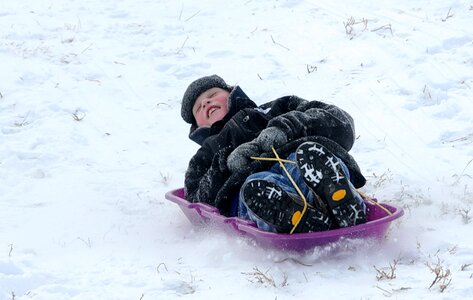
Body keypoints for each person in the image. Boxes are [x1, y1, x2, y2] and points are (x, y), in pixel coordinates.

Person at [181, 74, 367, 234]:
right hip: (252, 185)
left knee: (308, 159)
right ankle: (296, 217)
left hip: (297, 161)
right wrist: (225, 165)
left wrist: (286, 127)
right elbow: (196, 202)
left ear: (232, 93)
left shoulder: (277, 108)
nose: (205, 102)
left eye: (212, 95)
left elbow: (340, 122)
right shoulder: (206, 154)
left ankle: (337, 198)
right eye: (198, 108)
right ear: (197, 127)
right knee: (256, 188)